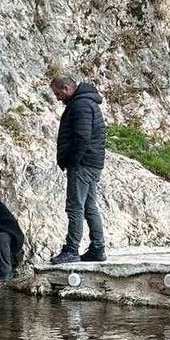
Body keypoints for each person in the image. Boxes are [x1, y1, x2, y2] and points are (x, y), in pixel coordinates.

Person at [49, 73, 107, 265]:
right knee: (90, 206)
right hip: (93, 163)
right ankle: (98, 248)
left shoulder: (80, 105)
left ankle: (72, 249)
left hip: (82, 164)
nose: (57, 98)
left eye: (58, 94)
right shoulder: (88, 102)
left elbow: (82, 137)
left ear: (66, 89)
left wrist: (71, 161)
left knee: (75, 207)